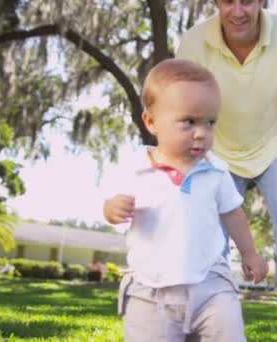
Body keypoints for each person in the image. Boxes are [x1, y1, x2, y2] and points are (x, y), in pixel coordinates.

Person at [175, 1, 277, 341]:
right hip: (216, 148)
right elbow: (180, 105)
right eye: (228, 1)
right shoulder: (193, 43)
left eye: (247, 0)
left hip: (275, 144)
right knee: (209, 239)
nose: (238, 11)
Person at [103, 58, 268, 341]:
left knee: (228, 332)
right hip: (150, 290)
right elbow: (109, 204)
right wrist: (112, 209)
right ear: (151, 121)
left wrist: (250, 253)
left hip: (210, 284)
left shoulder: (216, 170)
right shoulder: (134, 167)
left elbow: (233, 214)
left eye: (210, 122)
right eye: (189, 122)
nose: (202, 133)